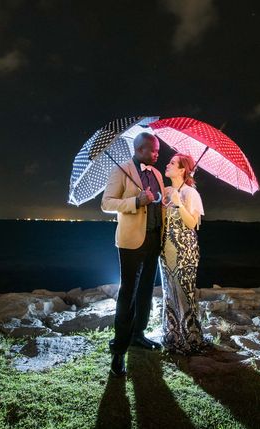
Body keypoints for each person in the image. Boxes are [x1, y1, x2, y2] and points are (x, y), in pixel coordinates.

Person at [101, 132, 164, 377]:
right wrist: (135, 202)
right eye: (154, 150)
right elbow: (107, 203)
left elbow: (159, 204)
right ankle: (119, 350)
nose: (157, 154)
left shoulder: (158, 174)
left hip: (154, 239)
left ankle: (139, 334)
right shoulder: (122, 170)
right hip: (130, 242)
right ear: (140, 150)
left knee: (146, 290)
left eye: (158, 150)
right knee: (128, 293)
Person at [159, 153, 208, 354]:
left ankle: (190, 336)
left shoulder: (190, 193)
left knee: (185, 292)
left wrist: (179, 202)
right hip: (165, 249)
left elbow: (192, 224)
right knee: (168, 291)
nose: (167, 165)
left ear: (182, 170)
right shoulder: (166, 191)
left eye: (172, 163)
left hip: (185, 250)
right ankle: (172, 334)